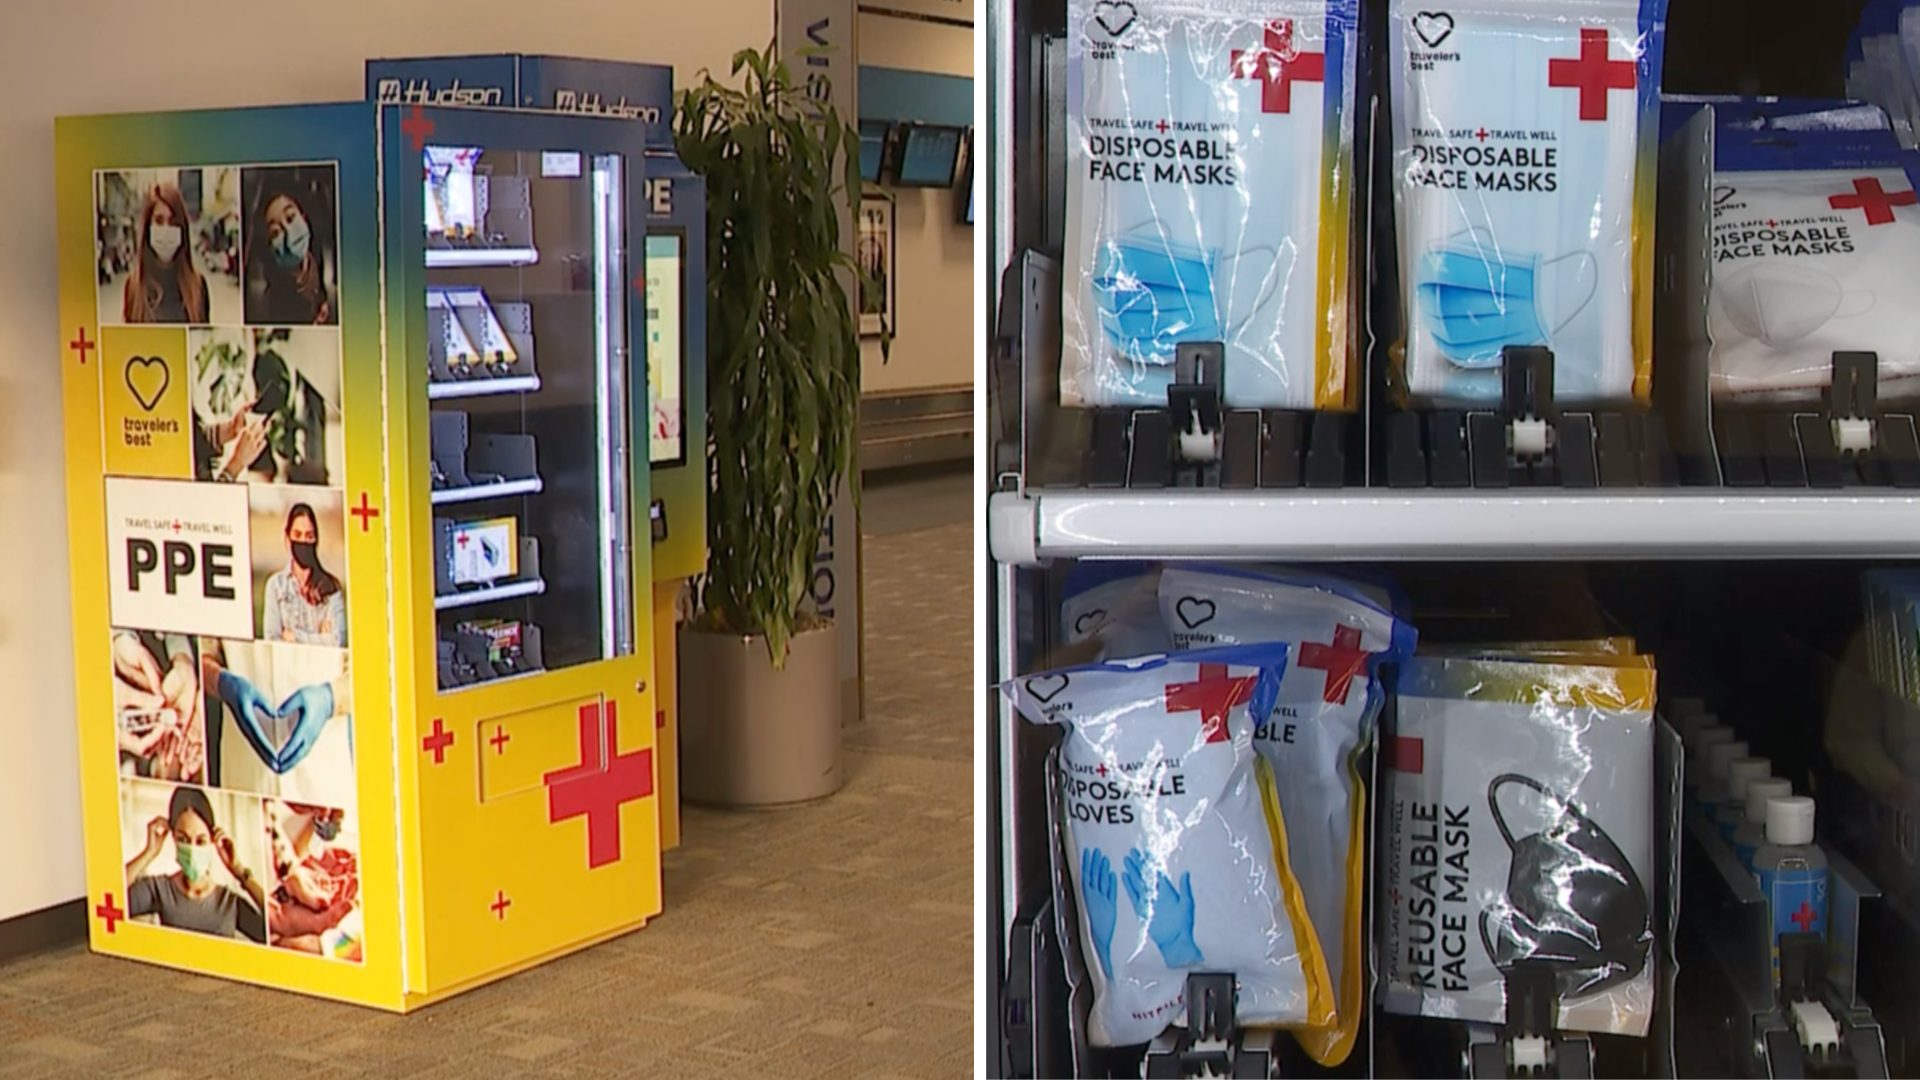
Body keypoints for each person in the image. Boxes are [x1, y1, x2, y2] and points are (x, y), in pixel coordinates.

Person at [123, 786, 266, 943]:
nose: (192, 848)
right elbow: (111, 896)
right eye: (183, 839)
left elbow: (272, 931)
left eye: (200, 841)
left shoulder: (229, 904)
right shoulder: (160, 890)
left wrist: (239, 870)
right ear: (173, 837)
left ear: (212, 839)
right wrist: (148, 853)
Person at [262, 503, 346, 647]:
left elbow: (337, 640)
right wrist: (320, 638)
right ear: (287, 539)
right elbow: (272, 641)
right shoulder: (276, 586)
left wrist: (294, 636)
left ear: (316, 540)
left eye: (309, 536)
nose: (303, 542)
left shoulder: (331, 588)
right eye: (297, 535)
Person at [122, 184, 209, 324]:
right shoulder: (133, 287)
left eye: (173, 222)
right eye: (159, 220)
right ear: (148, 227)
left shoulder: (198, 287)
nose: (166, 228)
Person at [250, 183, 334, 324]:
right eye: (276, 232)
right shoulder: (279, 299)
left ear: (303, 217)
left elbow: (320, 285)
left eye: (290, 217)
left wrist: (322, 302)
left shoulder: (315, 248)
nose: (288, 231)